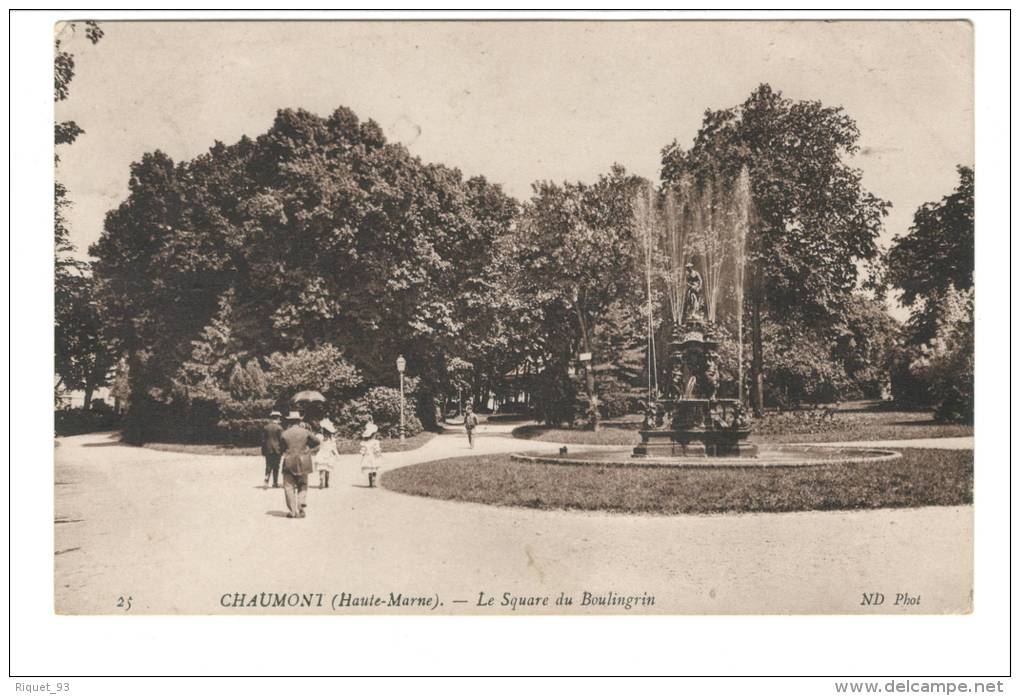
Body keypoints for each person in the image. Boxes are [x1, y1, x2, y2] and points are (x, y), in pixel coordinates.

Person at [279, 411, 321, 518]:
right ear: (299, 421)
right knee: (303, 484)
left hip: (289, 461)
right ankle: (301, 505)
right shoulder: (305, 432)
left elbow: (281, 448)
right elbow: (317, 442)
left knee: (289, 486)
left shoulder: (284, 433)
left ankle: (293, 511)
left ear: (289, 421)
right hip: (304, 462)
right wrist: (309, 449)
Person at [261, 411, 284, 488]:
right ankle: (275, 482)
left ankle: (266, 480)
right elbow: (281, 440)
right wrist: (283, 449)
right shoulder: (279, 428)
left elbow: (263, 440)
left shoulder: (266, 427)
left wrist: (263, 450)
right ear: (278, 418)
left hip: (268, 449)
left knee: (268, 465)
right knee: (276, 466)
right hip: (277, 450)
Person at [316, 418, 340, 489]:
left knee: (321, 468)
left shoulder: (319, 437)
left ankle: (321, 480)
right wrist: (337, 455)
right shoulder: (332, 439)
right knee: (327, 469)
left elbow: (316, 444)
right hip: (329, 455)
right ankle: (326, 482)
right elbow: (334, 449)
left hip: (321, 454)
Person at [359, 421, 382, 488]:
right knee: (373, 469)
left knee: (370, 470)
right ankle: (373, 482)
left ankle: (371, 483)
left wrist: (363, 455)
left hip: (368, 457)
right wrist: (378, 454)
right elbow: (376, 449)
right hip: (373, 457)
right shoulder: (375, 442)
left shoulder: (365, 443)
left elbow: (363, 450)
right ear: (373, 435)